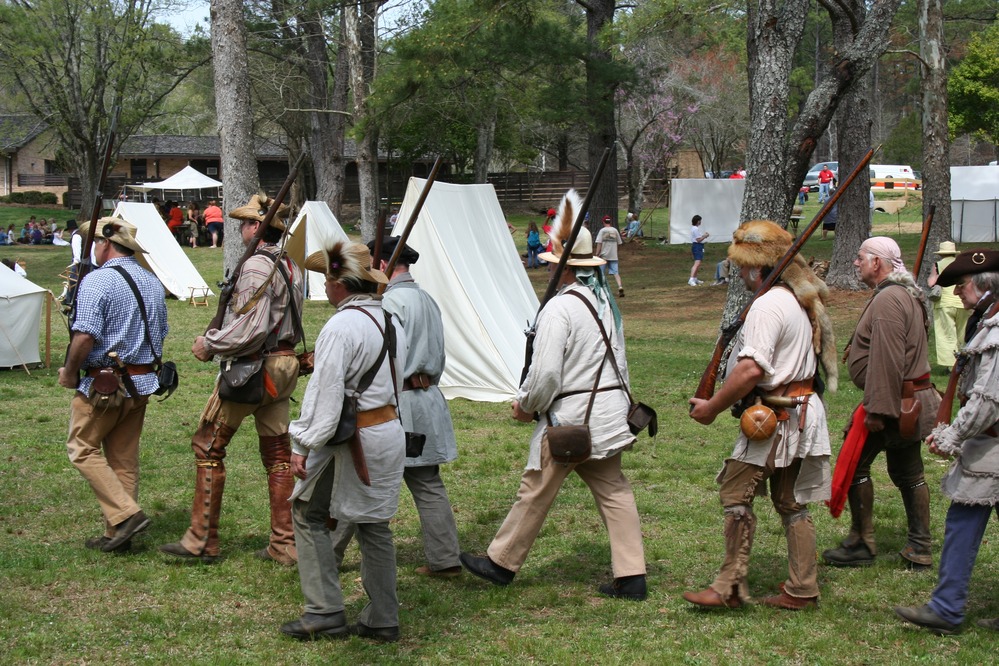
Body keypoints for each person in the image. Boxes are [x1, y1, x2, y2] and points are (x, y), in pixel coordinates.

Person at [459, 190, 648, 601]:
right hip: (607, 414)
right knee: (614, 491)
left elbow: (545, 374)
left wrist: (526, 406)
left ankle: (500, 563)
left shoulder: (560, 309)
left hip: (571, 421)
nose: (546, 270)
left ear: (561, 268)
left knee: (535, 488)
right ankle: (632, 576)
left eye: (549, 264)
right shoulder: (602, 303)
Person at [685, 220, 836, 610]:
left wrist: (713, 407)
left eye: (741, 267)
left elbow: (751, 369)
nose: (738, 274)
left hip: (777, 416)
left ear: (755, 267)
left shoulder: (769, 304)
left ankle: (728, 587)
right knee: (790, 503)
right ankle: (802, 589)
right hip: (798, 409)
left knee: (735, 492)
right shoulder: (794, 299)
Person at [159, 193, 305, 566]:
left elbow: (251, 329)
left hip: (255, 369)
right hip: (283, 365)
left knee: (208, 446)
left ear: (257, 227)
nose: (240, 229)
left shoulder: (257, 266)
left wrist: (210, 343)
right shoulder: (289, 264)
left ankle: (201, 540)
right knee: (277, 455)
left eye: (245, 223)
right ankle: (284, 544)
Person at [280, 241, 406, 642]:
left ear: (338, 282)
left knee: (307, 512)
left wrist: (302, 444)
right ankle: (384, 617)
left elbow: (325, 394)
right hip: (386, 432)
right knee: (374, 527)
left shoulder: (339, 326)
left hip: (352, 441)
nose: (325, 286)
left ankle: (324, 611)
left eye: (326, 278)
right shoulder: (391, 321)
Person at [327, 237, 462, 579]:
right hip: (426, 398)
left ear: (383, 264)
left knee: (362, 478)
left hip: (397, 405)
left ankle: (326, 554)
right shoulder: (427, 300)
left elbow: (382, 361)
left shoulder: (388, 303)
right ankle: (445, 558)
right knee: (426, 483)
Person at [894, 250, 999, 635]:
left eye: (965, 284)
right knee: (962, 521)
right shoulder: (988, 323)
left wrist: (952, 435)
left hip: (992, 449)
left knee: (961, 521)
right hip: (989, 447)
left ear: (986, 287)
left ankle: (947, 608)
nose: (959, 291)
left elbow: (989, 399)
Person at [822, 237, 941, 569]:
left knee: (857, 466)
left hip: (894, 402)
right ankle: (919, 546)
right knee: (908, 471)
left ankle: (862, 542)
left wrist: (877, 410)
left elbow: (887, 361)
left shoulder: (890, 300)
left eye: (860, 258)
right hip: (906, 399)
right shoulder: (902, 295)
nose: (856, 263)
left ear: (877, 262)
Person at [57, 217, 168, 553]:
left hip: (105, 386)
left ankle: (126, 514)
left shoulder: (97, 281)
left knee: (82, 448)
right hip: (141, 381)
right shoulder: (151, 281)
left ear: (106, 243)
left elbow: (85, 336)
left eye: (95, 241)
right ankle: (116, 534)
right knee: (123, 459)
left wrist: (69, 371)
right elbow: (161, 331)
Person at [927, 242, 970, 371]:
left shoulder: (937, 265)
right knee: (963, 334)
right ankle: (965, 361)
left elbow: (931, 283)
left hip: (944, 304)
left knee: (947, 335)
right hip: (961, 302)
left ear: (941, 254)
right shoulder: (960, 265)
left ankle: (952, 365)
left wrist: (935, 275)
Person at [595, 214, 625, 297]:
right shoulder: (615, 230)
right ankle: (620, 286)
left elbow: (599, 243)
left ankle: (602, 289)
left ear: (603, 222)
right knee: (616, 273)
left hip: (604, 256)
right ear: (610, 222)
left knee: (601, 273)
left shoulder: (602, 231)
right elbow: (619, 243)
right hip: (613, 255)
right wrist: (616, 252)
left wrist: (597, 254)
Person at [689, 215, 709, 286]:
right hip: (697, 246)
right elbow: (698, 240)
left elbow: (698, 237)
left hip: (699, 246)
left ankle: (695, 278)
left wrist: (703, 236)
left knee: (698, 263)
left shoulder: (695, 228)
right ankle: (691, 279)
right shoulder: (695, 229)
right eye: (700, 220)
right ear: (698, 221)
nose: (700, 222)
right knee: (697, 263)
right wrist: (705, 236)